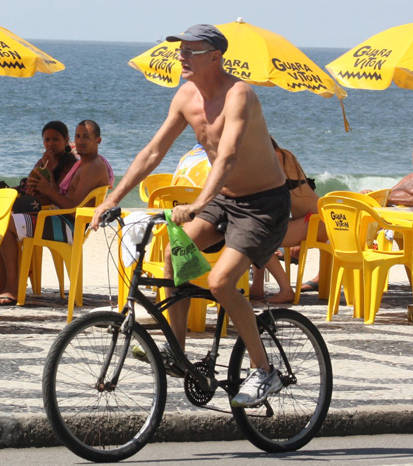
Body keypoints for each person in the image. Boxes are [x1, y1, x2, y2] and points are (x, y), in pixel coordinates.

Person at [91, 24, 289, 408]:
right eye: (179, 49)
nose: (181, 56)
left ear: (215, 56)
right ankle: (178, 353)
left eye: (190, 51)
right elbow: (153, 152)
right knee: (173, 254)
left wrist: (199, 202)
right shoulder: (186, 96)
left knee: (219, 282)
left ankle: (265, 371)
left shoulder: (239, 95)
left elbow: (228, 155)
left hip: (264, 203)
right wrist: (111, 198)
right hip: (225, 199)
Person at [299, 132, 413, 293]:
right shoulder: (412, 177)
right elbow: (387, 194)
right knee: (337, 223)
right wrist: (372, 194)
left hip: (405, 223)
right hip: (389, 218)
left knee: (347, 227)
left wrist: (389, 200)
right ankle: (328, 272)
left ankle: (325, 274)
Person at [0, 119, 112, 306]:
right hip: (62, 219)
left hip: (71, 226)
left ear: (98, 140)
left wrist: (48, 190)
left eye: (86, 137)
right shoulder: (83, 164)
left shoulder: (93, 166)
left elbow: (74, 209)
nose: (80, 141)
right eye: (78, 136)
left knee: (7, 225)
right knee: (3, 223)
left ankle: (13, 288)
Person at [250, 137, 325, 303]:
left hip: (315, 221)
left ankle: (285, 290)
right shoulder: (284, 155)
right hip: (316, 217)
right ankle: (257, 288)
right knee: (258, 231)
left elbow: (265, 192)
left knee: (261, 238)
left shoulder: (277, 158)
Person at [13, 121, 78, 212]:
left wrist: (49, 168)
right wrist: (30, 189)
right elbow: (32, 182)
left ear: (66, 141)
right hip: (37, 204)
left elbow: (58, 197)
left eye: (55, 139)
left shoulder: (70, 165)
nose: (50, 144)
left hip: (52, 210)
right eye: (47, 140)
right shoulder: (42, 161)